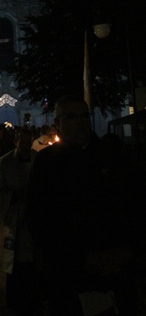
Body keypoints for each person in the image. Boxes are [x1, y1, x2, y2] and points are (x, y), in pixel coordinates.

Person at [28, 95, 146, 316]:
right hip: (71, 273)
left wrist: (128, 250)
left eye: (84, 115)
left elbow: (135, 205)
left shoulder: (114, 156)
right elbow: (39, 218)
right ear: (57, 124)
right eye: (71, 117)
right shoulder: (46, 163)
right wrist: (79, 258)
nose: (80, 122)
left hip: (117, 268)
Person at [0, 129, 36, 316]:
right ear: (16, 142)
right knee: (15, 263)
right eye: (22, 143)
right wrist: (14, 197)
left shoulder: (38, 158)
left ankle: (33, 298)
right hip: (15, 217)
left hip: (34, 219)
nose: (25, 146)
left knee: (33, 261)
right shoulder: (5, 161)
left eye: (28, 143)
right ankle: (15, 300)